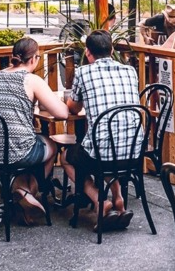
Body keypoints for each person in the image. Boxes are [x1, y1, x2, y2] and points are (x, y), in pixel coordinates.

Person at [0, 37, 68, 225]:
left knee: (25, 142)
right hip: (16, 151)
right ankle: (30, 193)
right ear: (35, 59)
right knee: (50, 144)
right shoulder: (31, 79)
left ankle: (22, 196)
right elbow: (62, 113)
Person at [62, 30, 140, 231]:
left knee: (67, 157)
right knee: (107, 148)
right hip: (133, 152)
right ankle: (118, 198)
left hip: (103, 154)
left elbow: (75, 108)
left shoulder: (83, 72)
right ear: (112, 50)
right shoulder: (130, 71)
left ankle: (99, 201)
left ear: (88, 53)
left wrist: (66, 100)